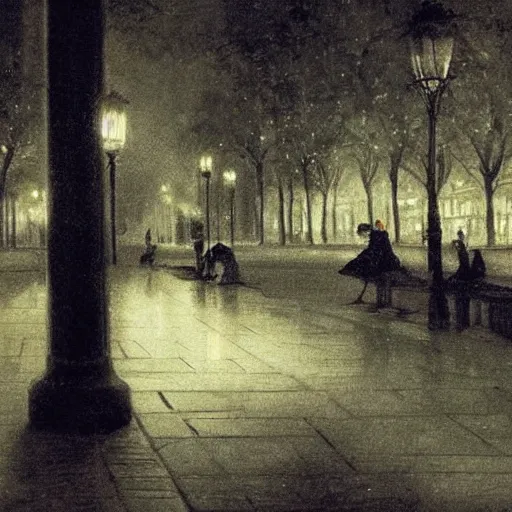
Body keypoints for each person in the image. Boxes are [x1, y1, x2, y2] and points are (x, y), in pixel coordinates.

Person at [338, 219, 402, 303]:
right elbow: (373, 249)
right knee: (362, 263)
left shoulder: (376, 235)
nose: (363, 236)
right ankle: (363, 294)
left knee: (362, 265)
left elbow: (375, 250)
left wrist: (363, 255)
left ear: (366, 231)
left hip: (386, 260)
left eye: (362, 234)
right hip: (385, 258)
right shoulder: (376, 234)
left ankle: (378, 300)